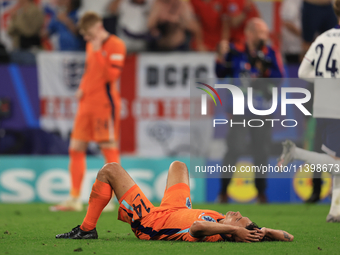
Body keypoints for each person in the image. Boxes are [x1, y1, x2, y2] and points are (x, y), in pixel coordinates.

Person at [55, 161, 294, 242]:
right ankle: (86, 230)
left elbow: (196, 227)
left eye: (239, 219)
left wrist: (232, 228)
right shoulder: (227, 225)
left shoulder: (213, 231)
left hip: (152, 221)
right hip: (176, 209)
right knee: (178, 166)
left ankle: (86, 230)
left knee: (110, 170)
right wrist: (264, 231)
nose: (236, 212)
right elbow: (288, 237)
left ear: (234, 232)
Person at [50, 12, 126, 212]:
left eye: (87, 33)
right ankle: (74, 198)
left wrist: (100, 50)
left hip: (104, 105)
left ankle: (117, 198)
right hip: (87, 104)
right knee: (75, 148)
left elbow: (111, 75)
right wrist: (83, 87)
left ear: (98, 26)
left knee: (108, 149)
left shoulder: (116, 45)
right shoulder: (91, 44)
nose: (85, 38)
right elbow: (90, 69)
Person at [278, 0, 340, 222]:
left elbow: (304, 71)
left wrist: (324, 80)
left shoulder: (320, 40)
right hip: (336, 105)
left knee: (332, 155)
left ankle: (334, 208)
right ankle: (298, 155)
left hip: (322, 103)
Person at [215, 18, 284, 203]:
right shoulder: (236, 51)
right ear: (250, 33)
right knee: (234, 149)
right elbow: (221, 71)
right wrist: (220, 55)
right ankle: (223, 192)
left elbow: (279, 78)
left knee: (261, 152)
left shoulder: (271, 53)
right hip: (239, 109)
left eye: (266, 33)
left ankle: (261, 193)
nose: (265, 37)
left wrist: (265, 71)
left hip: (262, 110)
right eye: (261, 33)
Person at [280, 0, 303, 64]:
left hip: (307, 47)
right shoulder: (291, 2)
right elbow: (287, 22)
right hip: (293, 49)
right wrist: (306, 35)